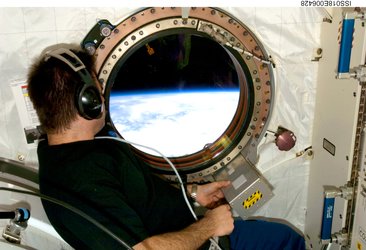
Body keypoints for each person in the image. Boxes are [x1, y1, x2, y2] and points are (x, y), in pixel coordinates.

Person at [27, 43, 306, 250]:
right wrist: (210, 226)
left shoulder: (80, 150)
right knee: (286, 241)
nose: (102, 92)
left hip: (191, 226)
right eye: (97, 87)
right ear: (87, 101)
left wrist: (193, 193)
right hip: (197, 240)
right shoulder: (80, 182)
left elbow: (139, 197)